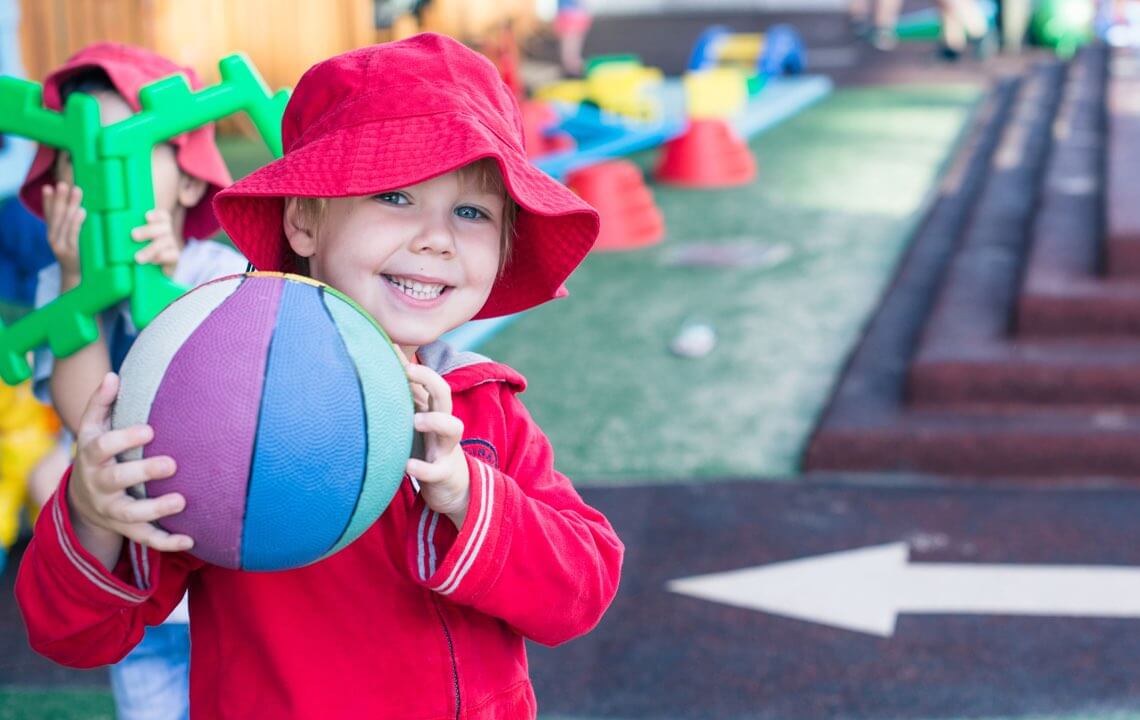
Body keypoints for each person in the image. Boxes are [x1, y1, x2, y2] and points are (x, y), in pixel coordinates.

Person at [16, 33, 623, 719]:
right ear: (303, 218)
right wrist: (96, 518)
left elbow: (582, 591)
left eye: (472, 211)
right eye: (395, 196)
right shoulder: (221, 412)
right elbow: (74, 634)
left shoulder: (483, 408)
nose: (436, 236)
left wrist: (466, 495)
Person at [16, 42, 246, 720]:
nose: (99, 172)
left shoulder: (216, 270)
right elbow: (84, 415)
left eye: (126, 146)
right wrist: (78, 289)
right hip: (130, 579)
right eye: (74, 154)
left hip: (213, 577)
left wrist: (171, 286)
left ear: (189, 181)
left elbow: (229, 399)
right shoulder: (57, 287)